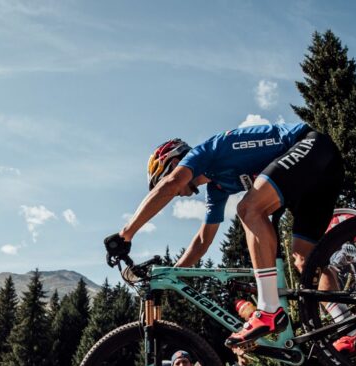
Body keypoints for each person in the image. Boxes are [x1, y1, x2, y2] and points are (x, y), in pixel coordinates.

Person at [105, 122, 343, 346]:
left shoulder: (203, 152)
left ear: (175, 161)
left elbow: (171, 183)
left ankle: (269, 308)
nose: (178, 194)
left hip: (310, 146)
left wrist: (126, 234)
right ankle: (349, 330)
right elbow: (202, 241)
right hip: (319, 175)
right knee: (305, 260)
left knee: (249, 209)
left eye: (163, 178)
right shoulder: (217, 187)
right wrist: (172, 275)